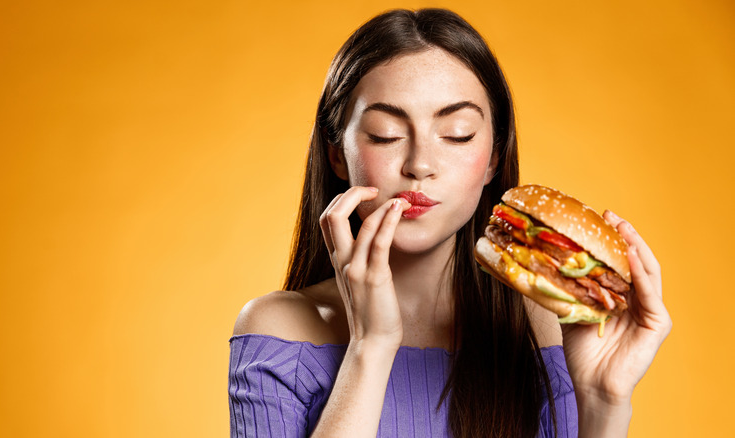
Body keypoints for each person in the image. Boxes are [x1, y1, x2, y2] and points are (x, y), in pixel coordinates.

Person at [228, 8, 671, 437]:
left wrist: (604, 403)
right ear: (335, 154)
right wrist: (371, 347)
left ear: (494, 158)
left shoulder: (555, 328)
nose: (421, 165)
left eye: (457, 133)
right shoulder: (278, 331)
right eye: (386, 134)